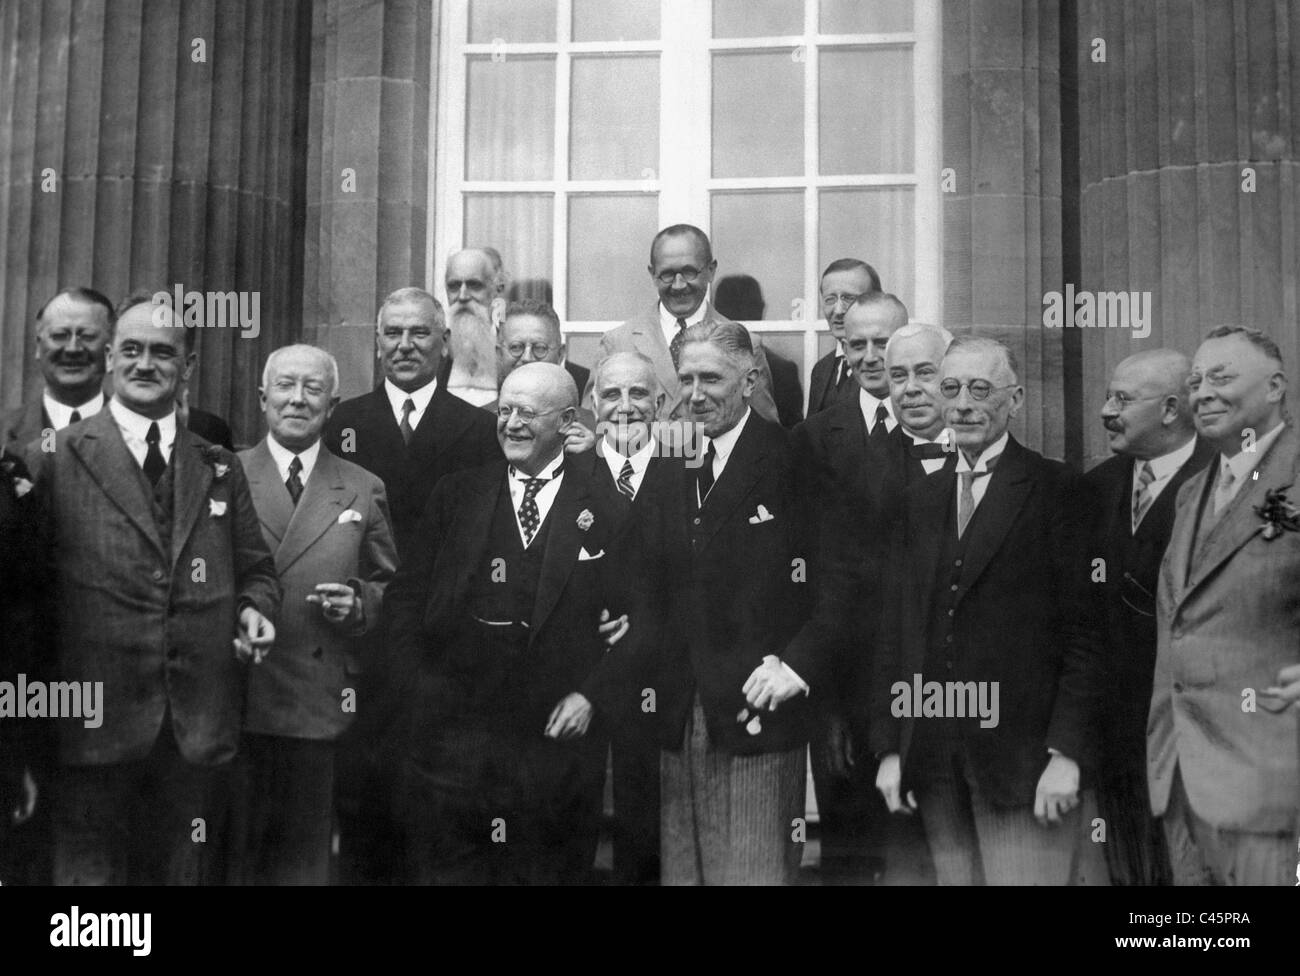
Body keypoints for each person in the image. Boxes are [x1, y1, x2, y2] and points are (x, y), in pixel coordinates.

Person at [32, 298, 279, 885]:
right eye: (134, 350)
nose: (146, 364)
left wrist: (254, 611)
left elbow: (257, 572)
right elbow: (26, 599)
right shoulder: (57, 456)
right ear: (111, 356)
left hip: (195, 728)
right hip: (92, 728)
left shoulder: (217, 464)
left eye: (164, 352)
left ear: (188, 365)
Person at [389, 363, 633, 883]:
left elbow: (641, 618)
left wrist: (593, 695)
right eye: (505, 410)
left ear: (568, 422)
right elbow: (405, 601)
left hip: (556, 746)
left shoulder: (607, 505)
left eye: (528, 412)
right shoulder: (456, 495)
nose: (512, 424)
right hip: (455, 743)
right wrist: (420, 693)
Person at [871, 335, 1102, 885]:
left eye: (981, 388)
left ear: (1015, 399)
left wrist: (1066, 754)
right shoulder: (920, 501)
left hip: (1022, 762)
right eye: (951, 388)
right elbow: (897, 635)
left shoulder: (1057, 489)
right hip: (932, 759)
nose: (965, 403)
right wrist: (890, 749)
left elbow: (1088, 634)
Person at [321, 285, 498, 883]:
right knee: (363, 803)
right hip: (359, 644)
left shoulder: (476, 428)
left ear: (444, 343)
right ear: (376, 343)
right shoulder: (343, 423)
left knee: (441, 812)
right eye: (392, 333)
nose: (404, 345)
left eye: (419, 332)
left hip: (441, 644)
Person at [642, 320, 829, 885]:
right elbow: (643, 570)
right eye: (687, 379)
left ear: (749, 382)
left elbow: (840, 581)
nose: (696, 394)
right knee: (684, 874)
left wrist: (796, 664)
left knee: (753, 873)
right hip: (677, 712)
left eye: (712, 379)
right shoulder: (671, 460)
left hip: (759, 710)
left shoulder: (795, 459)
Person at [790, 314, 951, 885]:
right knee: (859, 864)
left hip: (975, 724)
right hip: (867, 708)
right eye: (857, 344)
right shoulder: (860, 470)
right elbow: (831, 592)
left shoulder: (1016, 473)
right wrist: (831, 704)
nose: (878, 361)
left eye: (922, 371)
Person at [237, 345, 398, 884]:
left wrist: (361, 605)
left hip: (321, 697)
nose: (297, 400)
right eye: (285, 386)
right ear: (263, 398)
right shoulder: (225, 474)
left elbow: (390, 585)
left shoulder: (361, 483)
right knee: (234, 855)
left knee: (304, 863)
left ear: (332, 405)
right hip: (238, 693)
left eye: (312, 390)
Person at [1148, 326, 1300, 886]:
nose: (1203, 392)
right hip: (1182, 778)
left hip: (1271, 784)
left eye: (1222, 377)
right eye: (1195, 381)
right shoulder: (1193, 492)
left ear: (1276, 387)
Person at [1083, 349, 1212, 886]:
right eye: (1109, 395)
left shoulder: (1225, 482)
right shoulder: (1095, 487)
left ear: (1171, 410)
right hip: (1110, 733)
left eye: (1123, 400)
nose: (1107, 410)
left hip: (1193, 734)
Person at [586, 351, 670, 884]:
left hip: (659, 674)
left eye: (637, 394)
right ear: (593, 404)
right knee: (575, 813)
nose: (624, 407)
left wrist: (644, 626)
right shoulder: (568, 472)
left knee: (648, 815)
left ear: (660, 404)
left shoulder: (690, 469)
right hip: (581, 670)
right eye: (611, 394)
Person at [1, 287, 234, 452]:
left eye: (88, 336)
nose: (72, 348)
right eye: (59, 335)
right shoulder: (5, 429)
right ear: (38, 347)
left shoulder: (150, 431)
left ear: (109, 350)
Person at [593, 224, 782, 424]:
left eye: (689, 272)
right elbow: (594, 428)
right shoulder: (616, 342)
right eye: (667, 274)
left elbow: (764, 433)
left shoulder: (747, 344)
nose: (679, 285)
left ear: (711, 271)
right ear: (652, 274)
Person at [495, 299, 594, 428]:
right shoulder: (483, 422)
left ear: (560, 354)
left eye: (540, 348)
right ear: (499, 354)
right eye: (516, 347)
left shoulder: (590, 428)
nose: (527, 358)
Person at [806, 259, 881, 416]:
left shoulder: (889, 365)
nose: (838, 310)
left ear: (876, 302)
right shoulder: (821, 370)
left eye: (849, 298)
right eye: (830, 299)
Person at [443, 248, 506, 406]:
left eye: (474, 285)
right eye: (454, 286)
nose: (463, 296)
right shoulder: (435, 351)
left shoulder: (512, 350)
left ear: (496, 290)